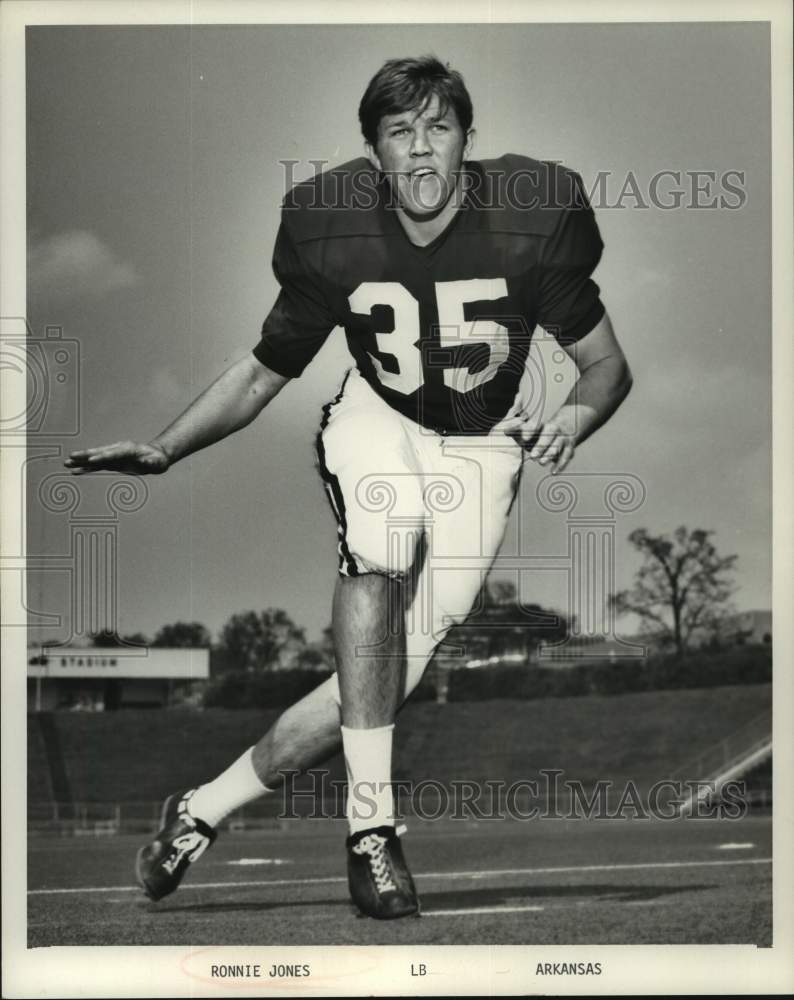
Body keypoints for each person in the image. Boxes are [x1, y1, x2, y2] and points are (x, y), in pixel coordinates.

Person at [65, 56, 632, 920]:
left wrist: (576, 420)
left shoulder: (534, 214)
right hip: (380, 413)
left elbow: (606, 368)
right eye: (399, 132)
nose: (420, 151)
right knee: (378, 545)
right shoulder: (330, 225)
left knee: (373, 687)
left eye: (438, 127)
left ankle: (200, 810)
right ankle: (373, 832)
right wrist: (167, 447)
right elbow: (263, 374)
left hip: (486, 444)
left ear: (467, 140)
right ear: (374, 151)